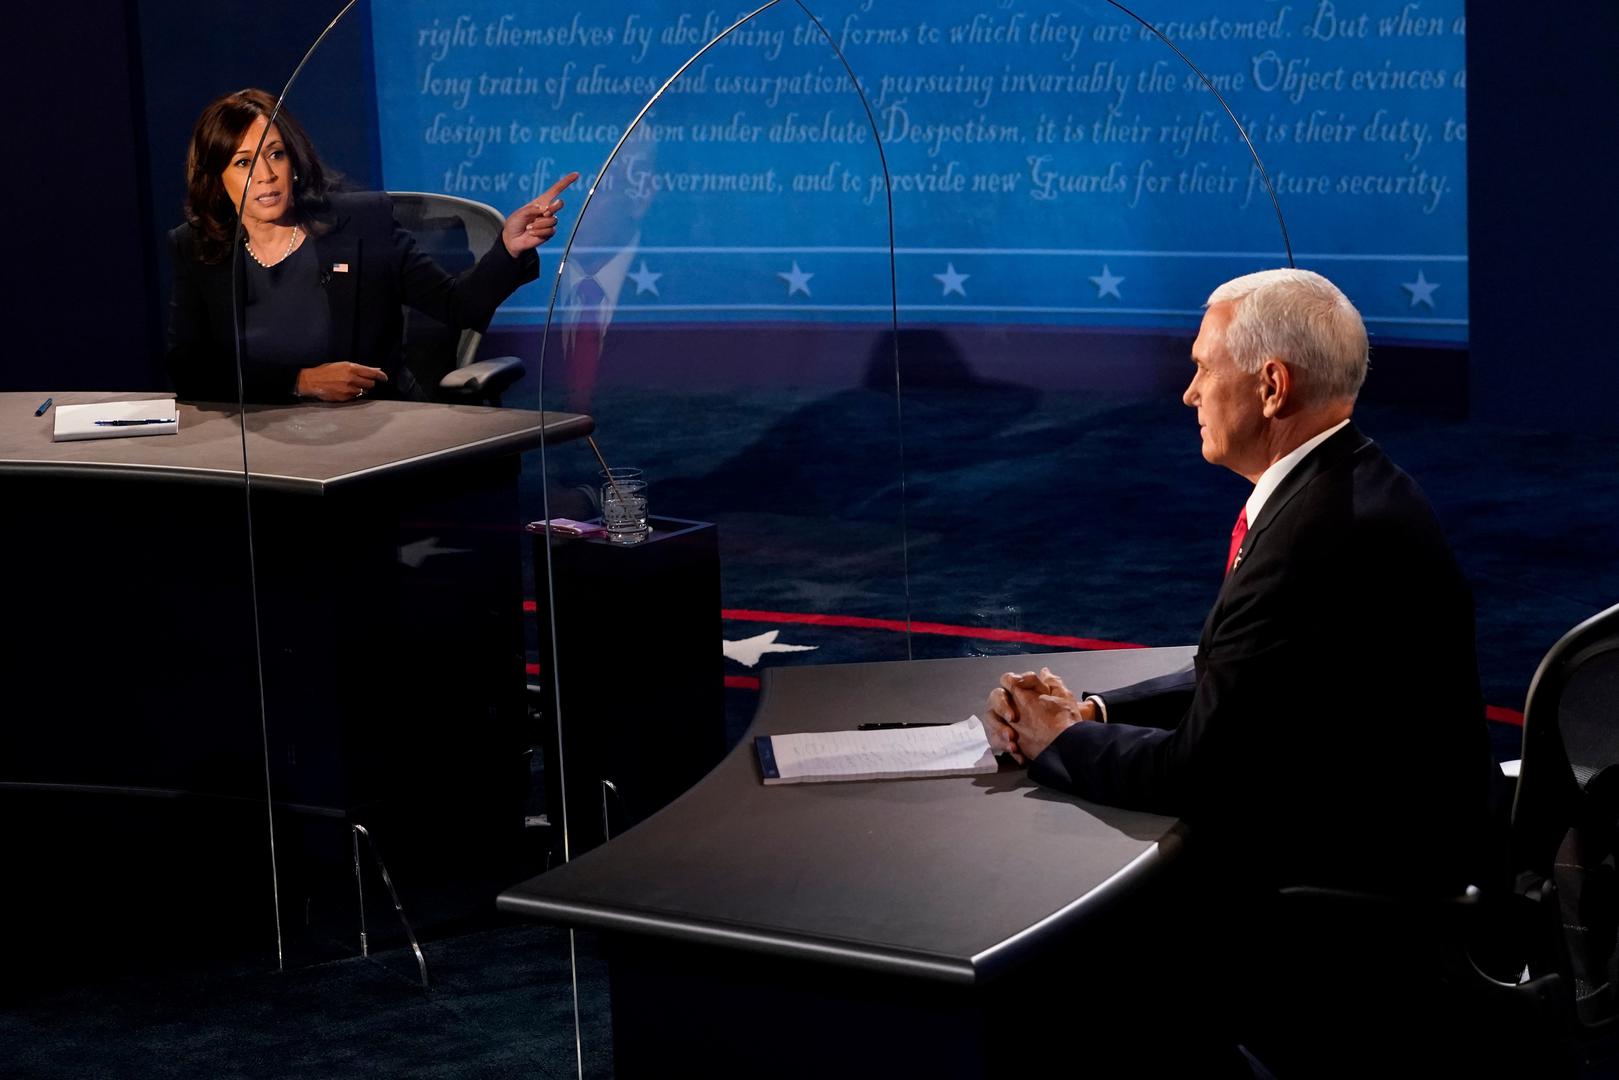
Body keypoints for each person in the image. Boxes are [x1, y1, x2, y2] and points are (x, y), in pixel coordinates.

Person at [986, 268, 1497, 896]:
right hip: (1417, 851)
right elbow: (1243, 676)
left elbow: (1196, 774)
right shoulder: (1355, 480)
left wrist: (1060, 740)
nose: (1189, 393)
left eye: (1204, 367)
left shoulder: (1310, 539)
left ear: (1272, 386)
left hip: (1362, 904)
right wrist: (1094, 710)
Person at [166, 88, 579, 403]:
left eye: (275, 154)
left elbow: (458, 305)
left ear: (294, 161)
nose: (265, 175)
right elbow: (190, 372)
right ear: (218, 179)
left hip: (363, 432)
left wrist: (508, 248)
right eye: (243, 163)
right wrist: (300, 382)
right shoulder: (198, 247)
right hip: (255, 444)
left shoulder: (361, 224)